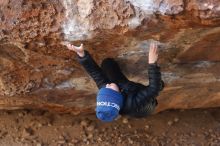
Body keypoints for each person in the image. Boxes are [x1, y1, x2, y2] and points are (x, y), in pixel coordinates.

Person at [66, 42, 164, 122]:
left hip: (124, 92)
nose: (107, 85)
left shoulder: (107, 90)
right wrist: (152, 63)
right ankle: (161, 86)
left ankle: (115, 73)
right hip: (145, 104)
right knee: (157, 85)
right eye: (109, 89)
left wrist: (82, 55)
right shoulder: (134, 103)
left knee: (107, 64)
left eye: (104, 89)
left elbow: (94, 73)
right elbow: (153, 89)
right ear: (118, 94)